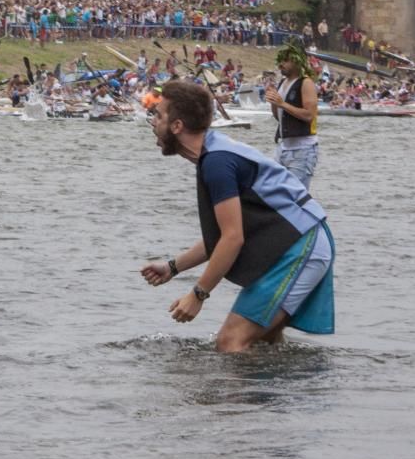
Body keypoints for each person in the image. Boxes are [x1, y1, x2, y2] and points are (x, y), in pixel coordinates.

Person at [140, 80, 335, 352]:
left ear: (177, 126)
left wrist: (198, 295)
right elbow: (222, 236)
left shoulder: (217, 163)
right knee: (264, 344)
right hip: (297, 243)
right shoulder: (213, 155)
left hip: (301, 246)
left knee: (231, 340)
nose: (153, 122)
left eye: (159, 115)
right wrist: (173, 267)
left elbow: (233, 239)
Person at [265, 42, 320, 189]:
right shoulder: (283, 82)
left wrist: (282, 103)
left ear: (297, 61)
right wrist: (273, 101)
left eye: (286, 60)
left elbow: (309, 115)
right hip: (283, 148)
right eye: (281, 59)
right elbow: (279, 117)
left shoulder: (306, 82)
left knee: (296, 197)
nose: (281, 63)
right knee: (274, 191)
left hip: (302, 150)